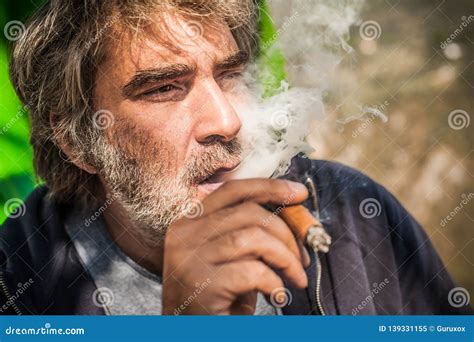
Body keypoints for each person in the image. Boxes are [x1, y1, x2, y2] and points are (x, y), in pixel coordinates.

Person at [0, 0, 471, 315]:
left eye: (229, 75)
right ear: (75, 139)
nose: (226, 121)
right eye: (165, 88)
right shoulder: (14, 287)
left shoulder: (353, 215)